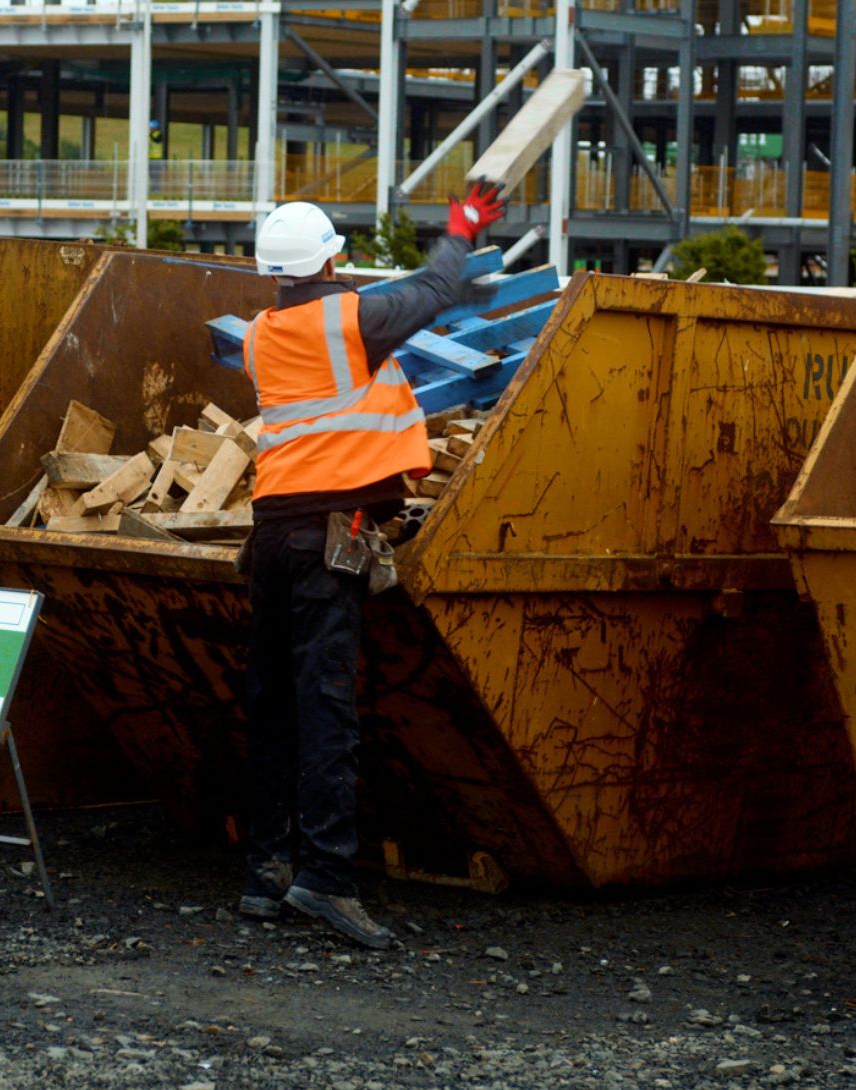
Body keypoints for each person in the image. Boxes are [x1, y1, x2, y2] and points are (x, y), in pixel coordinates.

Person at [237, 185, 507, 948]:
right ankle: (325, 880)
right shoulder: (349, 320)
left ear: (272, 271)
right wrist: (461, 231)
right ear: (334, 257)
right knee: (326, 712)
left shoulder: (261, 333)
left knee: (274, 707)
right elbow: (429, 290)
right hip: (327, 538)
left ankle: (266, 873)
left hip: (270, 535)